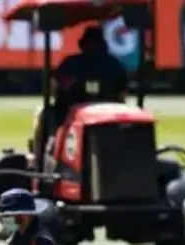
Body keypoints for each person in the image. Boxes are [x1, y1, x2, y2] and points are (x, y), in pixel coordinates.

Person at [31, 24, 130, 155]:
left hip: (70, 117)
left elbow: (55, 89)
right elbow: (122, 96)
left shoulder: (70, 64)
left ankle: (38, 156)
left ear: (82, 44)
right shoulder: (116, 66)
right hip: (108, 118)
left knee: (43, 113)